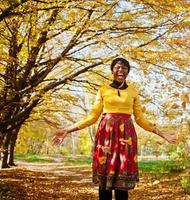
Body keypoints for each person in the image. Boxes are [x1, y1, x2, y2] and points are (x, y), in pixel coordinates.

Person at [52, 58, 177, 200]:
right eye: (117, 67)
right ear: (112, 70)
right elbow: (92, 117)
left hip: (126, 138)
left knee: (121, 185)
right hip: (106, 136)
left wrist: (161, 133)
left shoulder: (133, 92)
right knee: (104, 183)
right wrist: (68, 129)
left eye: (124, 68)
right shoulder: (103, 90)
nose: (121, 70)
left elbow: (140, 119)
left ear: (128, 72)